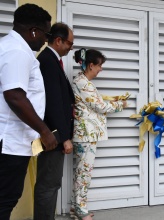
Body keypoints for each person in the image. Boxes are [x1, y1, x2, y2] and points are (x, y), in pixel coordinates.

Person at [0, 4, 57, 220]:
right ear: (34, 30)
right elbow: (14, 95)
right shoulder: (17, 51)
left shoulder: (10, 46)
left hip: (11, 140)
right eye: (46, 33)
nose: (45, 40)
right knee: (5, 198)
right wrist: (44, 131)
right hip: (10, 142)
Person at [71, 48, 127, 220]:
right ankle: (80, 209)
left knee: (82, 172)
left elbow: (95, 103)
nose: (101, 69)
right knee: (83, 173)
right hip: (86, 135)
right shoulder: (83, 83)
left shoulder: (83, 82)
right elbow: (100, 106)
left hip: (87, 134)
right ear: (91, 65)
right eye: (99, 65)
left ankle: (77, 208)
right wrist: (120, 105)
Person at [33, 22, 75, 220]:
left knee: (51, 183)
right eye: (69, 43)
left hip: (55, 134)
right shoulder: (48, 61)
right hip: (53, 135)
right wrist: (64, 137)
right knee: (48, 184)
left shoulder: (52, 60)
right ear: (58, 41)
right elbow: (52, 103)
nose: (71, 48)